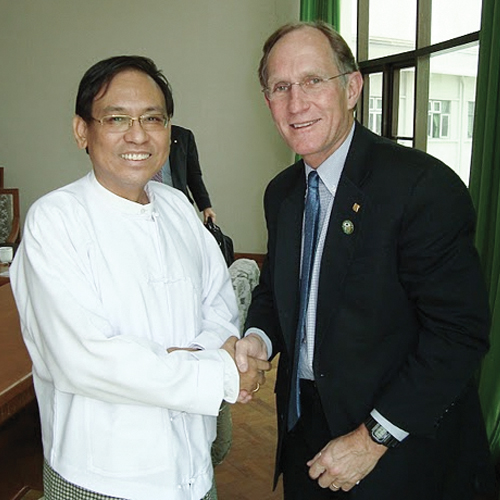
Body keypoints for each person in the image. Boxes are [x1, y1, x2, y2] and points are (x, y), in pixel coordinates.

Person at [235, 21, 493, 499]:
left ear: (352, 88)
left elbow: (459, 334)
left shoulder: (420, 187)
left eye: (313, 81)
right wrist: (258, 337)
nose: (297, 102)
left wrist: (374, 436)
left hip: (400, 446)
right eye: (281, 87)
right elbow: (277, 288)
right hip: (304, 432)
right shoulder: (282, 193)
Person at [10, 55, 270, 500]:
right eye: (117, 119)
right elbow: (84, 360)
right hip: (102, 477)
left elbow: (220, 307)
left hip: (191, 467)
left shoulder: (176, 208)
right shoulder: (54, 221)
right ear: (82, 132)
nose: (138, 134)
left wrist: (183, 356)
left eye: (153, 118)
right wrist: (217, 373)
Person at [154, 124, 216, 223]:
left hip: (177, 203)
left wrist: (205, 206)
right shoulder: (139, 136)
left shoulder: (183, 136)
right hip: (147, 203)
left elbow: (193, 175)